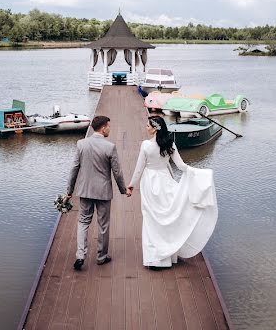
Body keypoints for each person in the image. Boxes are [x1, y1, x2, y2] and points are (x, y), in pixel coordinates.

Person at [127, 115, 218, 268]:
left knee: (151, 219)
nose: (146, 127)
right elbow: (181, 166)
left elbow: (139, 169)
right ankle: (168, 256)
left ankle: (154, 259)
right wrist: (198, 173)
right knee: (167, 218)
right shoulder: (170, 143)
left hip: (150, 183)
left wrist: (131, 185)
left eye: (149, 126)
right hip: (166, 181)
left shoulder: (146, 145)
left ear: (156, 128)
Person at [66, 115, 130, 271]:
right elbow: (117, 172)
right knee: (103, 225)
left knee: (83, 222)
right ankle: (101, 257)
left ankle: (80, 255)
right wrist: (124, 189)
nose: (109, 129)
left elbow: (74, 169)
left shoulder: (81, 144)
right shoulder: (109, 147)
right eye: (108, 126)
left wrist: (69, 191)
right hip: (103, 192)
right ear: (103, 128)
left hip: (85, 190)